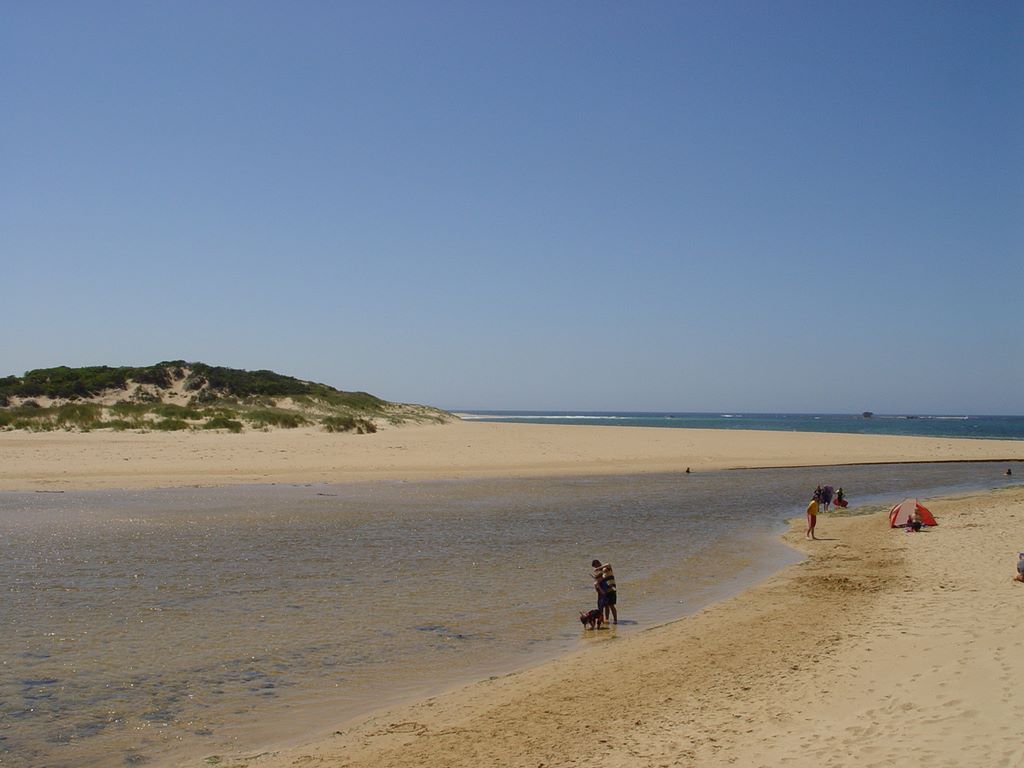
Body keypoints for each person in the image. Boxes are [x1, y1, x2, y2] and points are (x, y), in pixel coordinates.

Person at [591, 559, 618, 624]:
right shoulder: (601, 573)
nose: (596, 568)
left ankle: (615, 620)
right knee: (606, 606)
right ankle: (607, 619)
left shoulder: (606, 568)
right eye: (595, 567)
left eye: (595, 566)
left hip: (611, 589)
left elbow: (608, 564)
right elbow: (598, 582)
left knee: (611, 605)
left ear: (598, 564)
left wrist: (599, 568)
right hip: (605, 591)